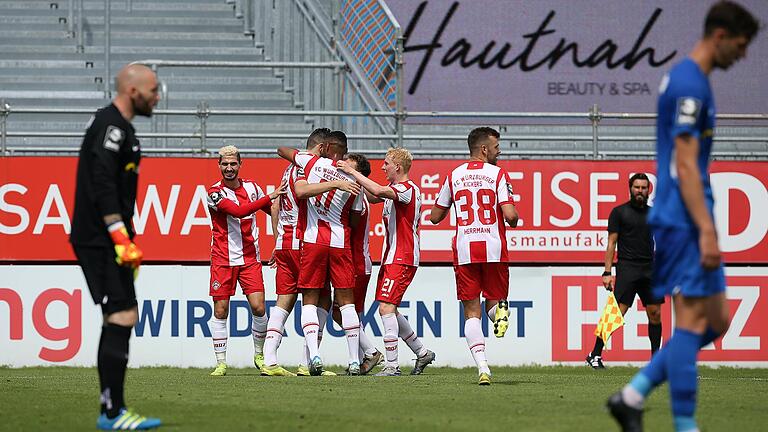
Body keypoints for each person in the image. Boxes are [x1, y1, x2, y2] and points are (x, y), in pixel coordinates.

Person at [607, 3, 759, 431]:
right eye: (741, 46)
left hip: (689, 215)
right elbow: (687, 165)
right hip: (683, 218)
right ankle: (684, 425)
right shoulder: (691, 84)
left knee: (718, 320)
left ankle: (633, 395)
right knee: (692, 322)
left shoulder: (688, 79)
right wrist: (707, 229)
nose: (743, 56)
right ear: (720, 35)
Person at [69, 64, 162, 430]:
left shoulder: (122, 128)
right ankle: (112, 413)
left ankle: (113, 409)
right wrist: (120, 236)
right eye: (153, 90)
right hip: (100, 238)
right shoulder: (110, 126)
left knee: (121, 315)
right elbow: (102, 181)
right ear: (133, 90)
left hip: (107, 236)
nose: (158, 96)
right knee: (122, 314)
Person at [261, 129, 360, 377]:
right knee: (319, 299)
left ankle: (270, 359)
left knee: (284, 299)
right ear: (324, 148)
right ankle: (308, 360)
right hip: (304, 240)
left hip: (284, 240)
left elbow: (275, 206)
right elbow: (304, 193)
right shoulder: (309, 168)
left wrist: (275, 238)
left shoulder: (289, 169)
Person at [429, 127, 518, 386]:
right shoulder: (498, 174)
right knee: (495, 301)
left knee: (471, 312)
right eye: (497, 147)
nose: (499, 152)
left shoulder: (453, 175)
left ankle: (483, 368)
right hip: (493, 248)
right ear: (484, 149)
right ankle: (498, 315)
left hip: (465, 250)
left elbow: (435, 217)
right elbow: (510, 216)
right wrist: (513, 218)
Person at [338, 147, 435, 376]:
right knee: (390, 307)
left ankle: (392, 365)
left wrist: (352, 171)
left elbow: (377, 190)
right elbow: (373, 194)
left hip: (402, 257)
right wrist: (352, 179)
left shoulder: (407, 189)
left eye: (386, 163)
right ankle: (422, 353)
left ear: (397, 167)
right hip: (393, 257)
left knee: (386, 308)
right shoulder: (395, 190)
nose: (383, 167)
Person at [206, 145, 287, 377]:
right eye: (225, 164)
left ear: (240, 165)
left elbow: (271, 209)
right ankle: (221, 362)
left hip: (250, 258)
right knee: (221, 310)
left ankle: (259, 355)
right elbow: (239, 212)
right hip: (223, 259)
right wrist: (268, 197)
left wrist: (276, 240)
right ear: (219, 166)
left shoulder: (252, 187)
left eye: (233, 164)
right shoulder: (214, 192)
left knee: (259, 307)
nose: (229, 168)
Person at [586, 173, 661, 369]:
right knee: (616, 313)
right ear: (630, 189)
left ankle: (656, 361)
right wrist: (607, 272)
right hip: (627, 268)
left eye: (644, 188)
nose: (640, 191)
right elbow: (611, 243)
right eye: (637, 187)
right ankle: (594, 354)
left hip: (650, 269)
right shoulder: (619, 212)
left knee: (655, 313)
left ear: (648, 190)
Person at [330, 152, 384, 375]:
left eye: (348, 169)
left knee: (342, 312)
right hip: (353, 262)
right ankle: (363, 358)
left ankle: (370, 353)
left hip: (356, 263)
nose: (342, 171)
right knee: (350, 313)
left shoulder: (356, 196)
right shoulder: (353, 193)